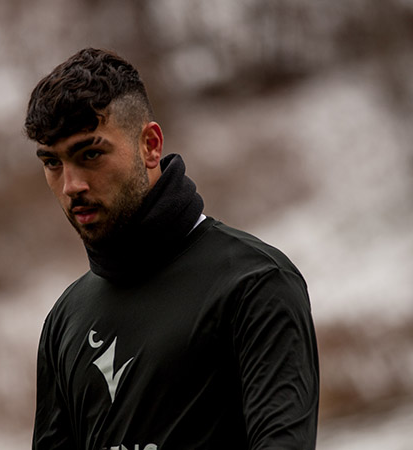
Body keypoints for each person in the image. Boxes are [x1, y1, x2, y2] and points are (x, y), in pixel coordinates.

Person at [25, 48, 319, 450]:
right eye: (52, 163)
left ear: (150, 145)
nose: (71, 185)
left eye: (90, 154)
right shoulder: (65, 319)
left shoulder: (254, 284)